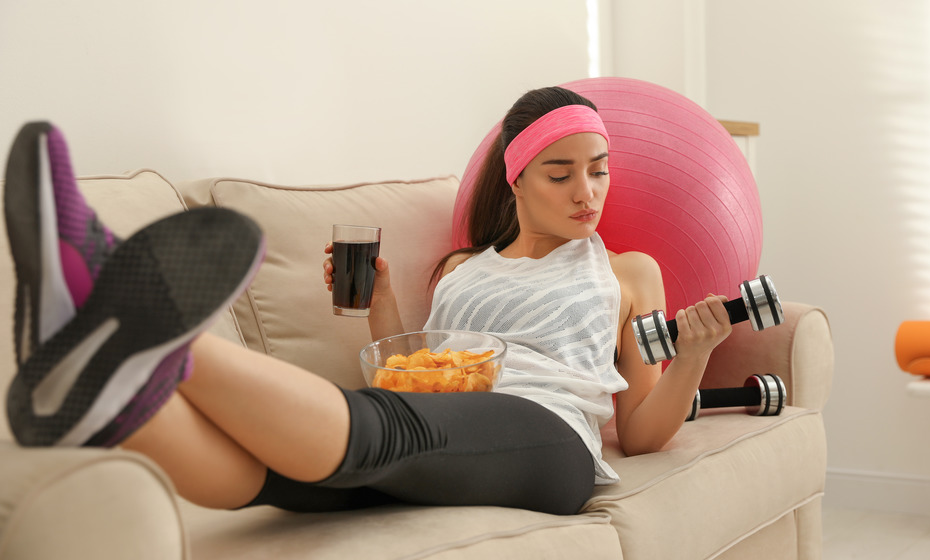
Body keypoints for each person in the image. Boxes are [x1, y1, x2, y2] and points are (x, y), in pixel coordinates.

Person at [4, 87, 732, 517]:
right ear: (516, 179)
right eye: (561, 174)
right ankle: (97, 386)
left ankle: (138, 319)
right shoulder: (462, 269)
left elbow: (637, 431)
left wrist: (691, 357)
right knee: (274, 473)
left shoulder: (631, 272)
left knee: (389, 429)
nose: (587, 193)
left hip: (549, 438)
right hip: (452, 413)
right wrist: (383, 302)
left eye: (599, 172)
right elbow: (413, 373)